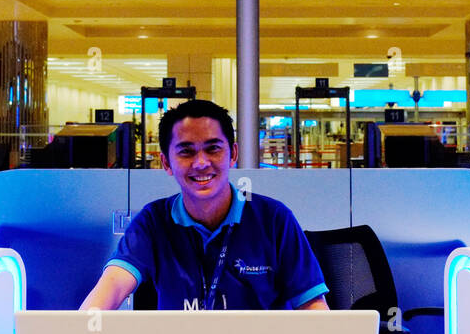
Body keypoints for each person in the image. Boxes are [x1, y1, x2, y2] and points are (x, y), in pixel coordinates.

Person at [80, 99, 329, 311]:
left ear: (232, 154)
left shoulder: (274, 219)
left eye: (213, 149)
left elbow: (313, 307)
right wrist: (81, 328)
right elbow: (113, 284)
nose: (201, 163)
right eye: (186, 152)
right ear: (166, 163)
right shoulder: (153, 222)